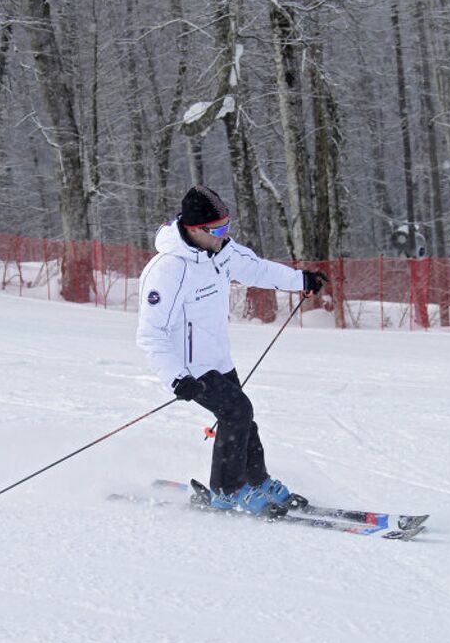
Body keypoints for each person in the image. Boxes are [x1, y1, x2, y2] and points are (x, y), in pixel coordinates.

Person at [136, 185, 327, 515]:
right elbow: (151, 334)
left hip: (218, 357)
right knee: (236, 412)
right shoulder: (168, 269)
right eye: (219, 229)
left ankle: (256, 480)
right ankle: (227, 491)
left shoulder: (221, 250)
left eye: (228, 226)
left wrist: (300, 280)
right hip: (189, 366)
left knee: (242, 418)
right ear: (195, 229)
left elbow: (257, 269)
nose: (225, 235)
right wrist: (176, 378)